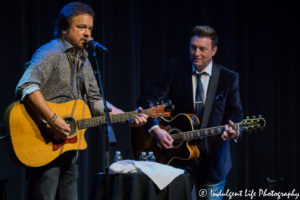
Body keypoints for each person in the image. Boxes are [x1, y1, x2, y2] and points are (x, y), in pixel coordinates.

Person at [15, 2, 147, 200]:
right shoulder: (51, 52)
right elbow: (26, 86)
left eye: (90, 28)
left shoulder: (83, 60)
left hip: (69, 149)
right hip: (44, 142)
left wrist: (125, 117)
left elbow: (95, 101)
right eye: (81, 27)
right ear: (63, 29)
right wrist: (52, 119)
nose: (88, 34)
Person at [138, 25, 243, 200]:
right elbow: (148, 99)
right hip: (175, 159)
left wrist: (234, 129)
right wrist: (155, 129)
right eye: (193, 47)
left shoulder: (228, 78)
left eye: (203, 49)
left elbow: (235, 112)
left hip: (213, 163)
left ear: (214, 50)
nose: (196, 53)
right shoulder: (175, 69)